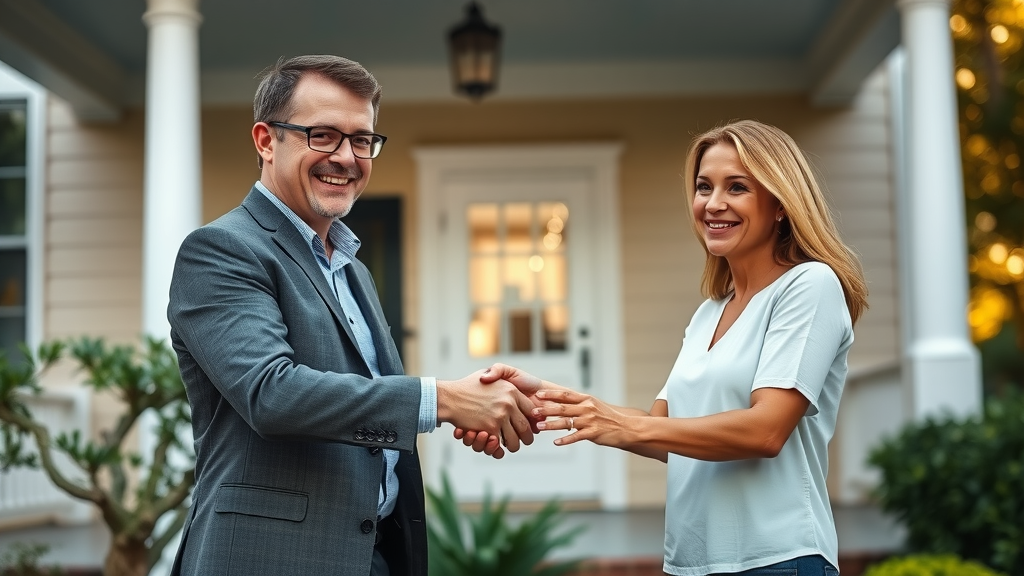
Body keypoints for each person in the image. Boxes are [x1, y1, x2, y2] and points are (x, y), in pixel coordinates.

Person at [166, 55, 534, 576]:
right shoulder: (222, 250)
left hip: (374, 552)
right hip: (269, 558)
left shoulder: (351, 267)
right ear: (266, 141)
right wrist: (445, 401)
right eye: (323, 135)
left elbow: (367, 402)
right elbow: (272, 394)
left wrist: (476, 404)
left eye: (362, 141)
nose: (346, 157)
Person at [463, 120, 869, 575]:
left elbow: (766, 431)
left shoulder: (809, 286)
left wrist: (622, 424)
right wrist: (555, 400)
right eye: (703, 187)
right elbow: (664, 430)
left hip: (776, 558)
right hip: (691, 563)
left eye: (737, 188)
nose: (713, 204)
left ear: (779, 204)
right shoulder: (709, 314)